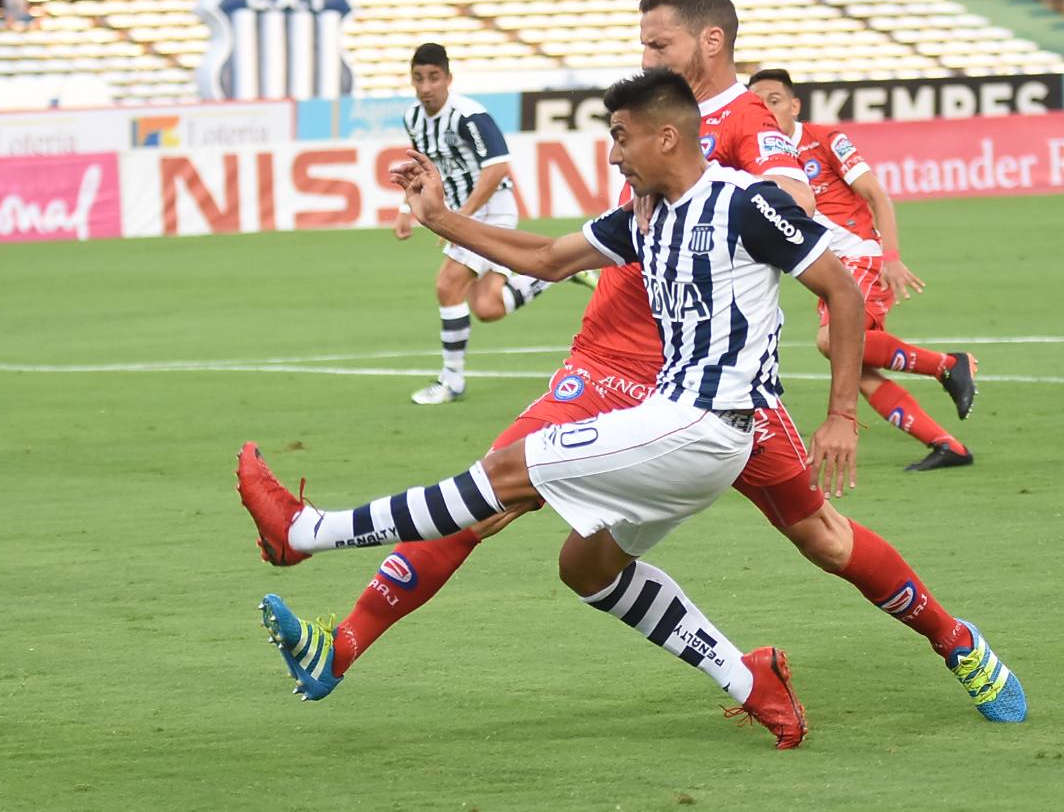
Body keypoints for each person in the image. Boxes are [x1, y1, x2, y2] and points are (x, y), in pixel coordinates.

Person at [239, 0, 1027, 733]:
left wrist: (730, 238)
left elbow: (795, 204)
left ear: (708, 43)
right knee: (526, 525)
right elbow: (552, 255)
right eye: (643, 44)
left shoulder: (745, 129)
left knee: (820, 536)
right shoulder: (652, 146)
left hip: (702, 384)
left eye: (658, 43)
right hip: (628, 368)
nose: (646, 56)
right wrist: (444, 218)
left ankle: (956, 641)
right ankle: (341, 643)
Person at [241, 68, 867, 746]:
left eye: (621, 138)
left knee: (505, 471)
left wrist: (842, 414)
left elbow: (843, 292)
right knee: (586, 569)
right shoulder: (644, 218)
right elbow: (543, 258)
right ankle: (751, 683)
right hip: (681, 430)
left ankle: (305, 533)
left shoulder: (744, 203)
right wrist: (439, 216)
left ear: (666, 137)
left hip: (702, 426)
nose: (612, 153)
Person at [747, 68, 977, 471]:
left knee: (830, 341)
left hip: (860, 258)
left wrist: (890, 256)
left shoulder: (824, 139)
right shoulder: (761, 159)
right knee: (855, 372)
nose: (766, 109)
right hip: (828, 270)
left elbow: (876, 194)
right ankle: (946, 445)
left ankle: (947, 364)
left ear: (794, 105)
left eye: (775, 100)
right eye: (758, 103)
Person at [398, 43, 592, 406]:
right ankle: (558, 271)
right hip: (462, 213)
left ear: (448, 78)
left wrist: (463, 215)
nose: (426, 86)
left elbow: (498, 166)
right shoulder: (412, 118)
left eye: (434, 78)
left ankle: (451, 382)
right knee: (488, 307)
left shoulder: (469, 115)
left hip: (490, 209)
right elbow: (422, 167)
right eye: (419, 78)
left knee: (447, 285)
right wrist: (405, 208)